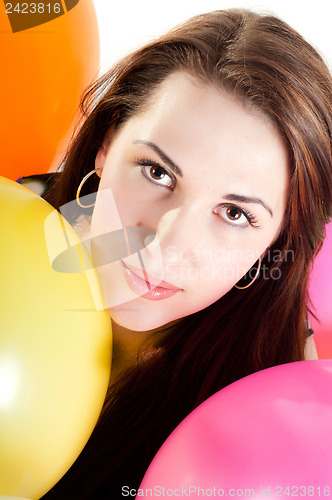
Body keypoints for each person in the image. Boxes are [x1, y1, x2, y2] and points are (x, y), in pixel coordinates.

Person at [40, 8, 332, 498]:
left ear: (275, 241)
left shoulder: (275, 414)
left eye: (235, 214)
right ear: (107, 145)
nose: (166, 243)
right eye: (157, 173)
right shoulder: (14, 231)